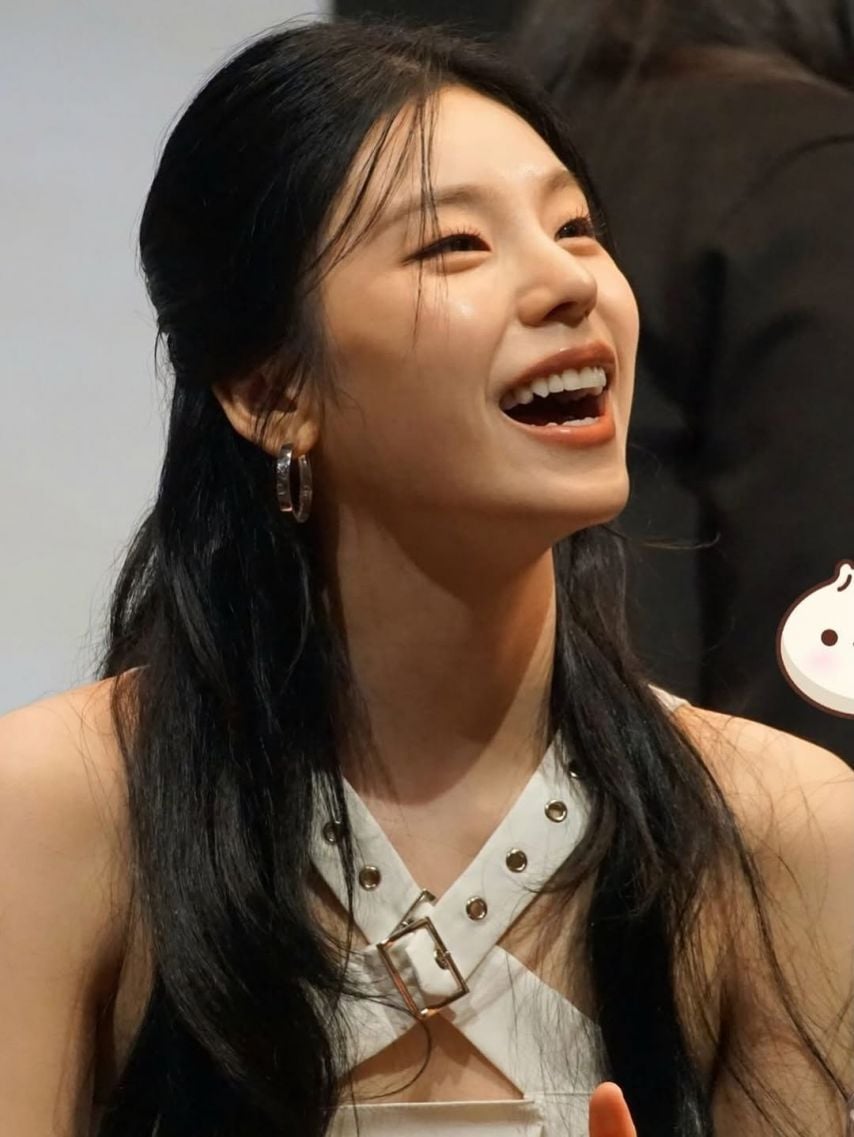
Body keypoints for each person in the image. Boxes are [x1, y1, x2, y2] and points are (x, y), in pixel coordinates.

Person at [0, 17, 851, 1137]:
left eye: (576, 228)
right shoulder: (64, 809)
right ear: (270, 392)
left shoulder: (781, 830)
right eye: (454, 245)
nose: (567, 283)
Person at [508, 0, 854, 764]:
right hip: (691, 806)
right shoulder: (812, 172)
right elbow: (828, 618)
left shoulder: (506, 144)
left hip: (495, 785)